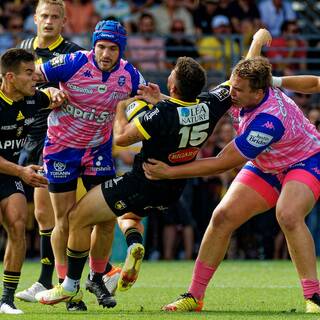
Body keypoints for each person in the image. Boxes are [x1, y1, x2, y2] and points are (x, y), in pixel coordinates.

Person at [34, 54, 233, 308]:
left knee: (76, 218)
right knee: (128, 218)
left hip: (142, 181)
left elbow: (122, 138)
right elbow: (234, 79)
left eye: (171, 72)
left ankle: (70, 286)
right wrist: (257, 44)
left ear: (172, 86)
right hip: (172, 189)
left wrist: (119, 110)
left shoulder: (162, 113)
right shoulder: (210, 104)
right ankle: (130, 249)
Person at [143, 56, 320, 313]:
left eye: (237, 90)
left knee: (288, 214)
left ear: (259, 92)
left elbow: (222, 162)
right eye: (232, 85)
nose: (230, 92)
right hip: (267, 164)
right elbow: (196, 108)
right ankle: (194, 296)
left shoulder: (268, 121)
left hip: (305, 161)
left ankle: (314, 297)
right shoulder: (242, 88)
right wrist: (162, 101)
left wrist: (171, 172)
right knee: (222, 216)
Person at [34, 19, 146, 308]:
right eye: (101, 47)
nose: (105, 54)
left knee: (106, 219)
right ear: (93, 45)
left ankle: (96, 279)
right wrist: (48, 93)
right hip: (61, 150)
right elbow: (30, 78)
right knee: (65, 219)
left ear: (120, 50)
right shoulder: (71, 62)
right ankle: (66, 286)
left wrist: (154, 100)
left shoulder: (130, 75)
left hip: (98, 151)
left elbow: (150, 100)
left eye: (112, 49)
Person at [14, 0, 84, 310]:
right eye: (44, 15)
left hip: (59, 138)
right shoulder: (24, 47)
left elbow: (82, 93)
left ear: (64, 21)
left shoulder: (72, 53)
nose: (49, 21)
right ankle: (51, 278)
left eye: (55, 17)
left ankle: (61, 281)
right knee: (41, 214)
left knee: (56, 215)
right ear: (35, 18)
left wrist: (60, 94)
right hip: (27, 135)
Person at [0, 48, 66, 314]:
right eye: (29, 73)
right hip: (13, 169)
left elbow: (50, 97)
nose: (35, 77)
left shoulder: (30, 99)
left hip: (9, 172)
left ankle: (6, 299)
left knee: (17, 222)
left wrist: (55, 94)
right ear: (10, 77)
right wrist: (21, 171)